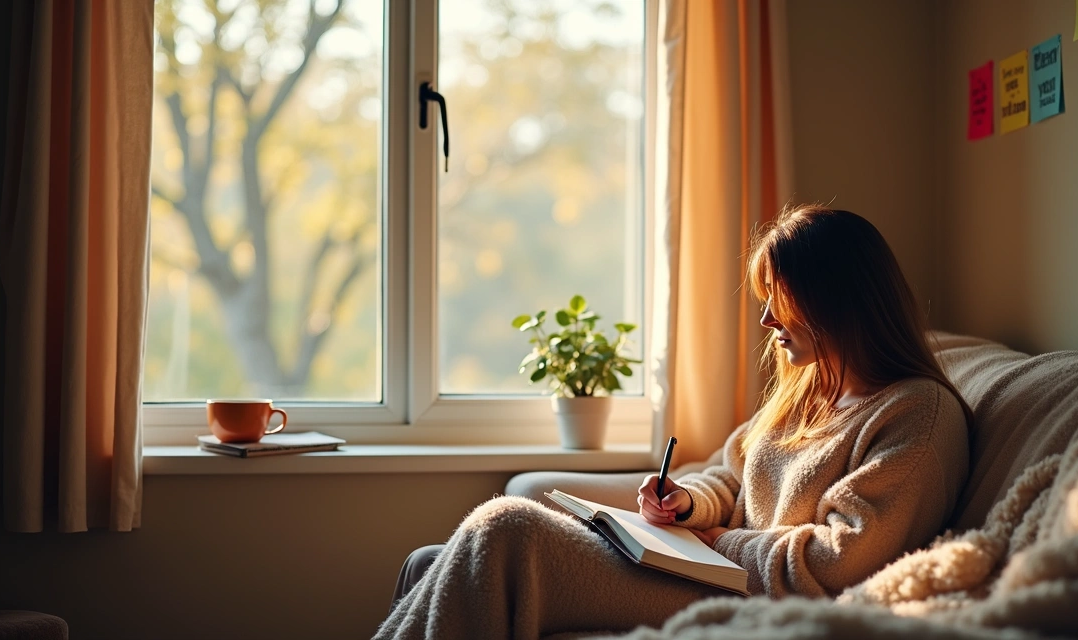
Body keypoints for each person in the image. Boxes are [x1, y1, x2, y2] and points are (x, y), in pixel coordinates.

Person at [374, 205, 971, 640]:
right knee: (431, 561)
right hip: (710, 570)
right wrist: (687, 503)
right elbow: (730, 477)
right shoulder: (809, 393)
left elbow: (843, 560)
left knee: (508, 530)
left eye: (781, 299)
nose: (766, 319)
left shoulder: (917, 415)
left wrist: (721, 544)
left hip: (753, 596)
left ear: (835, 300)